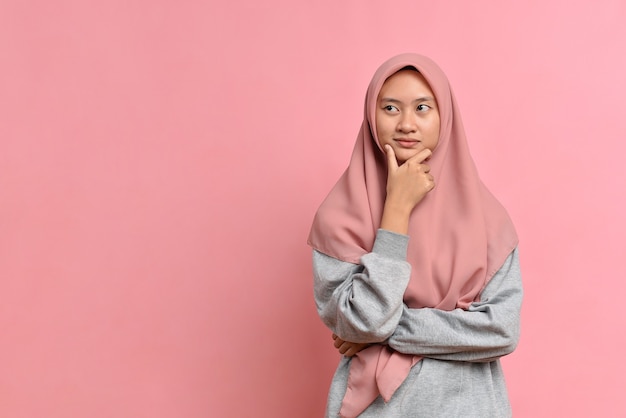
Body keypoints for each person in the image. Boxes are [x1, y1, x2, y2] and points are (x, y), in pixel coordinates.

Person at [307, 53, 522, 418]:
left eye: (422, 107)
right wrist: (396, 212)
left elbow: (501, 330)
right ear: (371, 117)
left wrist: (382, 332)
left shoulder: (488, 220)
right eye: (390, 108)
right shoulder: (338, 219)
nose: (407, 123)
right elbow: (366, 321)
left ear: (445, 117)